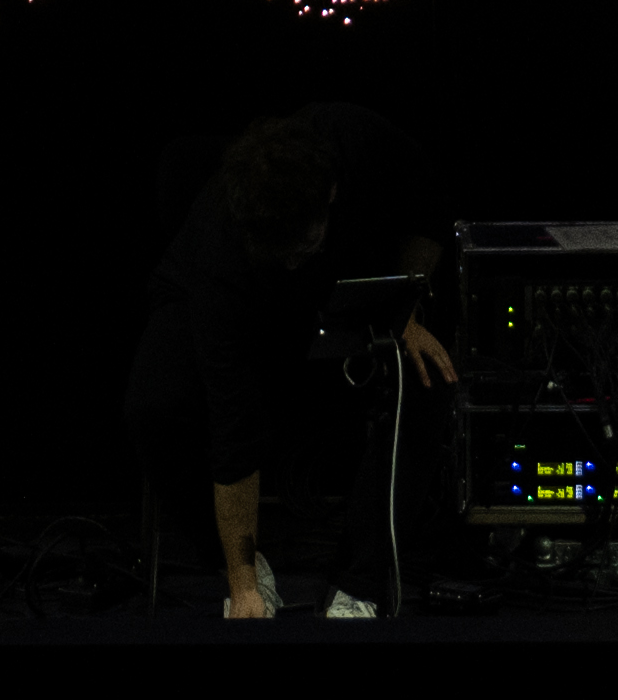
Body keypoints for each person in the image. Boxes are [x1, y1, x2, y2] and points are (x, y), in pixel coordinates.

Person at [129, 112, 454, 624]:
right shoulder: (220, 255)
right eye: (280, 254)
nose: (291, 263)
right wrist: (242, 585)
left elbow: (430, 214)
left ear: (330, 195)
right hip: (238, 309)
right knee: (155, 406)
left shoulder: (368, 148)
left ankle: (359, 583)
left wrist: (404, 306)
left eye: (301, 249)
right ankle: (240, 563)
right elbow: (234, 427)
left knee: (426, 376)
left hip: (344, 292)